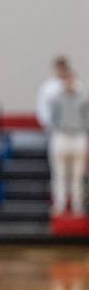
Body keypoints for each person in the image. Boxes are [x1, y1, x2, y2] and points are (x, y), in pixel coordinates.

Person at [48, 74, 89, 215]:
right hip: (61, 136)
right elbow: (52, 119)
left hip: (78, 136)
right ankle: (60, 204)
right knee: (59, 174)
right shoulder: (57, 99)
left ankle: (77, 205)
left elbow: (86, 119)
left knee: (78, 175)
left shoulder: (82, 99)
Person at [36, 55, 85, 130]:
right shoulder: (48, 87)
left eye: (63, 67)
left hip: (77, 126)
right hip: (55, 126)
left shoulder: (77, 85)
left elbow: (83, 107)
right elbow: (42, 105)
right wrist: (46, 122)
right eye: (59, 68)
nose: (61, 70)